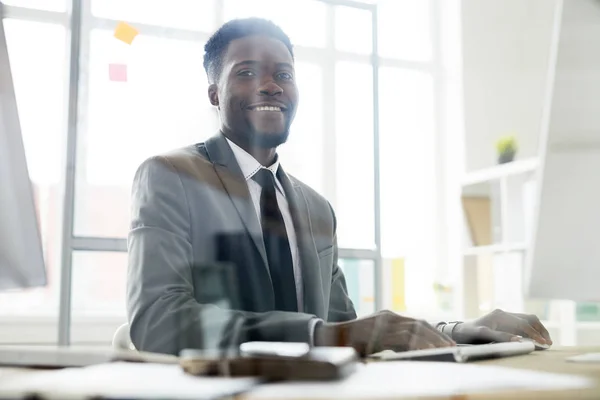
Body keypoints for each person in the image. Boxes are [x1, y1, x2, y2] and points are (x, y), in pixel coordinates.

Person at [126, 18, 552, 356]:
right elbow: (158, 323)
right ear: (214, 94)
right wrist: (321, 335)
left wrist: (460, 331)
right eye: (248, 72)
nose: (270, 84)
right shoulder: (171, 175)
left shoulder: (315, 208)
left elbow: (346, 328)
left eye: (284, 73)